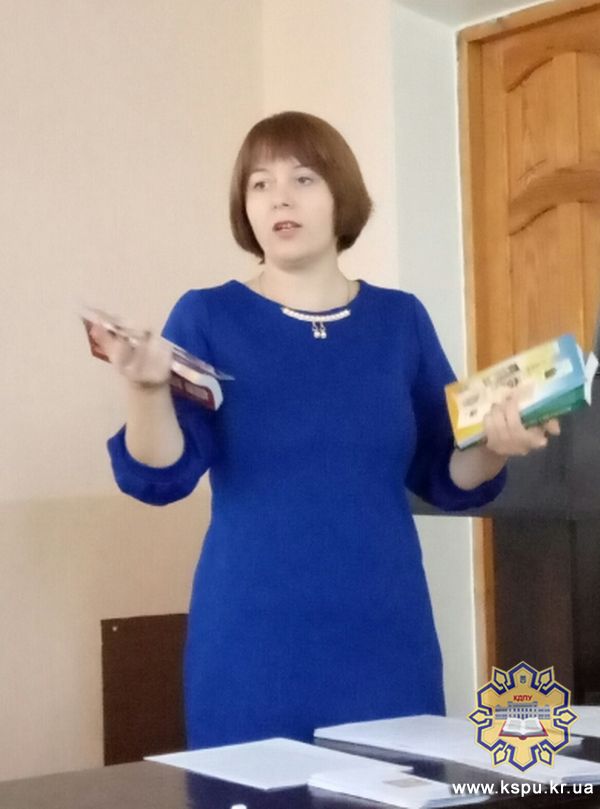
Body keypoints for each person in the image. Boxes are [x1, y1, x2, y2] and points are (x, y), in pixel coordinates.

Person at [92, 111, 560, 749]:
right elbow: (160, 477)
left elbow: (445, 472)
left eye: (303, 179)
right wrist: (146, 388)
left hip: (387, 633)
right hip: (251, 642)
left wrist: (496, 448)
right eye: (260, 184)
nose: (279, 198)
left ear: (342, 195)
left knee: (401, 783)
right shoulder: (207, 314)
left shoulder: (400, 320)